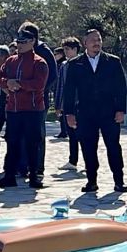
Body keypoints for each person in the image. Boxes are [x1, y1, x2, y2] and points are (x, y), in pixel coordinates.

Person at [63, 28, 127, 193]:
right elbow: (69, 91)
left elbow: (121, 88)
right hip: (85, 113)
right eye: (92, 40)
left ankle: (119, 181)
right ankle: (91, 181)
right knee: (88, 147)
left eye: (98, 39)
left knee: (113, 146)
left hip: (109, 113)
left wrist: (121, 110)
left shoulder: (113, 62)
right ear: (85, 43)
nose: (96, 43)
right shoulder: (75, 64)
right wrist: (69, 113)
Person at [0, 30, 49, 189]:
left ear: (32, 42)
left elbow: (39, 84)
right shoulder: (10, 61)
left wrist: (19, 83)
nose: (20, 45)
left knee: (32, 143)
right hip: (13, 109)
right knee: (12, 142)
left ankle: (34, 177)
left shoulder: (39, 62)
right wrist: (7, 83)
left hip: (33, 110)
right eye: (18, 42)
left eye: (24, 42)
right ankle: (9, 175)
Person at [17, 22, 57, 181]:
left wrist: (38, 89)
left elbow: (53, 75)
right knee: (20, 134)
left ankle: (38, 167)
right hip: (19, 100)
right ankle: (22, 166)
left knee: (37, 135)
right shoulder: (21, 50)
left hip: (38, 101)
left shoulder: (44, 52)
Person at [55, 36, 81, 171]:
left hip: (82, 105)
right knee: (71, 133)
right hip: (68, 104)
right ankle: (73, 160)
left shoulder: (83, 63)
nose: (65, 52)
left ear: (75, 49)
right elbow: (60, 86)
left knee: (84, 134)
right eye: (64, 49)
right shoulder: (64, 66)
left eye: (67, 49)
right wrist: (58, 105)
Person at [53, 46, 68, 138]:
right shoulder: (58, 64)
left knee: (63, 113)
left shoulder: (63, 64)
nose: (55, 56)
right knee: (61, 113)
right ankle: (63, 131)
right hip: (58, 89)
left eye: (56, 54)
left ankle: (64, 131)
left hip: (63, 91)